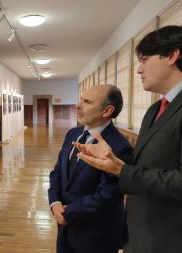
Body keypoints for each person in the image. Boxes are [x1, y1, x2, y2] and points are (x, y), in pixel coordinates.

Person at [75, 25, 182, 253]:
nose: (139, 69)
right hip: (143, 234)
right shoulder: (155, 109)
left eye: (144, 59)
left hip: (176, 239)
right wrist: (115, 162)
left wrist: (122, 171)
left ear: (172, 55)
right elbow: (149, 166)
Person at [48, 84, 133, 253]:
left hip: (96, 235)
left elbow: (107, 195)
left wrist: (68, 213)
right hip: (65, 227)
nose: (78, 105)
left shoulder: (119, 146)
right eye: (80, 99)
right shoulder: (73, 133)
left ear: (107, 111)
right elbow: (58, 171)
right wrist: (55, 203)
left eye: (86, 101)